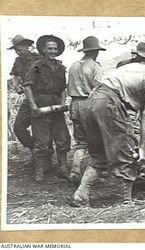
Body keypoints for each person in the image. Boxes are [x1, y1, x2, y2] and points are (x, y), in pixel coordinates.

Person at [70, 42, 145, 207]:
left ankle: (81, 195)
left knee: (99, 154)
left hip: (90, 101)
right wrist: (143, 146)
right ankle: (124, 200)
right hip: (109, 102)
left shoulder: (131, 67)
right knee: (126, 150)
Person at [23, 35, 71, 182]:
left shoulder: (61, 68)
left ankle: (63, 167)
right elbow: (27, 86)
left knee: (62, 138)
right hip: (41, 105)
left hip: (56, 107)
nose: (52, 51)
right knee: (41, 140)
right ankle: (40, 169)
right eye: (50, 48)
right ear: (44, 50)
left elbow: (63, 88)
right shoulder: (37, 67)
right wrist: (33, 107)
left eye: (55, 49)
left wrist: (62, 104)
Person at [67, 36, 105, 186]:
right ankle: (94, 175)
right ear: (95, 51)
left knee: (80, 141)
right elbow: (98, 89)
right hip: (89, 105)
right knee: (96, 142)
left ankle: (75, 171)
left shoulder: (74, 66)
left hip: (74, 104)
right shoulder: (95, 67)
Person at [8, 35, 42, 167]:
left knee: (39, 128)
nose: (19, 52)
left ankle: (43, 159)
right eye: (17, 50)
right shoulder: (17, 61)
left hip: (41, 96)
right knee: (19, 127)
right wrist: (17, 86)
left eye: (21, 50)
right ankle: (34, 151)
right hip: (28, 98)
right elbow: (15, 75)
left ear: (27, 47)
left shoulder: (38, 58)